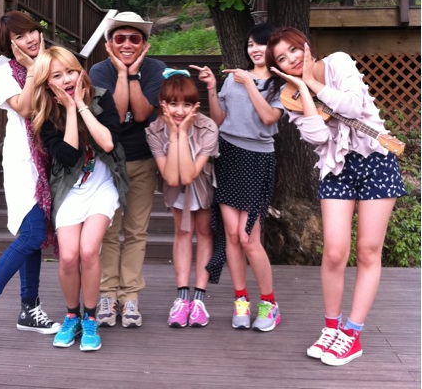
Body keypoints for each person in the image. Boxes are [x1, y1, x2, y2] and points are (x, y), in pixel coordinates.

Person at [266, 27, 407, 366]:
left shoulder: (338, 62)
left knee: (368, 250)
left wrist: (312, 84)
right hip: (336, 168)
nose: (291, 59)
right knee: (333, 251)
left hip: (376, 161)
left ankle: (352, 334)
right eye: (282, 58)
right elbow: (317, 137)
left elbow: (354, 107)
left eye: (293, 50)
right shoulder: (288, 96)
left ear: (305, 46)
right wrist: (302, 89)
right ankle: (331, 328)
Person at [0, 11, 60, 352]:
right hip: (23, 165)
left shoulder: (52, 62)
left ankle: (29, 308)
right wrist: (32, 70)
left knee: (32, 238)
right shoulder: (5, 72)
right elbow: (25, 108)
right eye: (20, 36)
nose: (30, 38)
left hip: (49, 163)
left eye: (31, 31)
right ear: (10, 44)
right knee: (31, 235)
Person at [32, 46, 127, 351]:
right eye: (57, 76)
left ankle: (90, 318)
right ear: (48, 84)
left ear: (81, 71)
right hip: (69, 188)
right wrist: (70, 110)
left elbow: (108, 144)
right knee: (68, 256)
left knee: (88, 251)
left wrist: (82, 105)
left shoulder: (102, 97)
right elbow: (69, 156)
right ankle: (72, 315)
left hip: (102, 185)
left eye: (70, 71)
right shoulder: (46, 113)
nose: (67, 79)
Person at [191, 22, 284, 332]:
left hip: (258, 159)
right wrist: (212, 89)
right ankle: (240, 300)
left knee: (249, 238)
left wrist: (250, 84)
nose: (254, 49)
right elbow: (220, 119)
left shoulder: (282, 84)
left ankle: (269, 304)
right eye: (251, 44)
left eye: (261, 44)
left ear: (273, 48)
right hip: (228, 155)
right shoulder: (233, 78)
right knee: (231, 235)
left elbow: (269, 118)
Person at [89, 11, 166, 328]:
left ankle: (130, 295)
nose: (127, 44)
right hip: (109, 163)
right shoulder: (99, 71)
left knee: (136, 231)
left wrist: (132, 74)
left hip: (143, 160)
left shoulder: (156, 69)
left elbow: (143, 112)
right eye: (119, 38)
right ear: (109, 43)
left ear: (145, 43)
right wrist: (122, 72)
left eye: (135, 38)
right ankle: (107, 294)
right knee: (108, 231)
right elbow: (118, 116)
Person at [145, 70, 219, 328]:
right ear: (162, 103)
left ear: (195, 105)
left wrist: (184, 132)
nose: (179, 110)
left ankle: (199, 298)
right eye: (173, 103)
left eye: (187, 104)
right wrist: (175, 135)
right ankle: (182, 297)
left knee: (204, 231)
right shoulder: (155, 130)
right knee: (182, 232)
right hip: (175, 187)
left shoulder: (207, 127)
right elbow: (172, 177)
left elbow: (189, 175)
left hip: (202, 184)